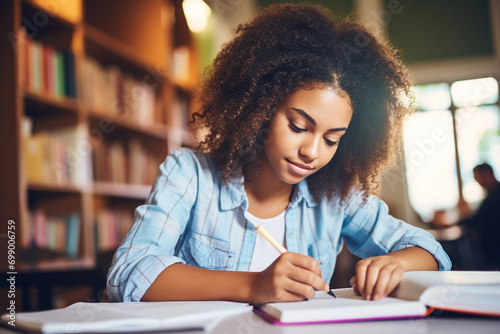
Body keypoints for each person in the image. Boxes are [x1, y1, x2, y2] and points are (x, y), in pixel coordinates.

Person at [106, 4, 451, 304]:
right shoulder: (189, 175)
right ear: (260, 107)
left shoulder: (335, 196)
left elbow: (430, 251)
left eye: (332, 140)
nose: (311, 152)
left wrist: (397, 263)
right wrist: (253, 285)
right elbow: (129, 271)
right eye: (299, 126)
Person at [462, 163, 500, 269]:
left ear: (487, 174)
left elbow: (478, 219)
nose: (477, 182)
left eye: (478, 177)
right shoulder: (491, 194)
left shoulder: (496, 195)